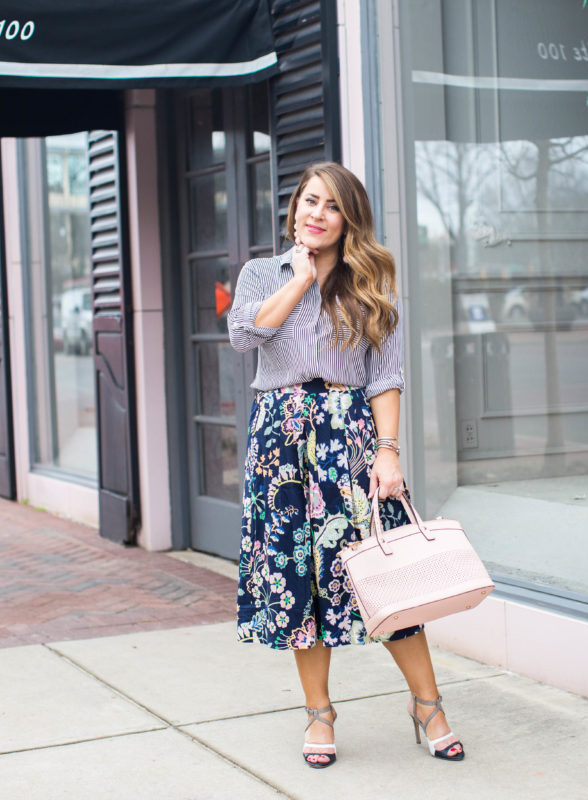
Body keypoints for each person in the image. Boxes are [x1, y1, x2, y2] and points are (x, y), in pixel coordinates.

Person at [227, 162, 465, 768]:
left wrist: (389, 452)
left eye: (331, 206)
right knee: (299, 582)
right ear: (295, 208)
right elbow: (245, 335)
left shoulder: (370, 283)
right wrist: (299, 282)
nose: (316, 214)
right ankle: (319, 715)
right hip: (280, 442)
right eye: (310, 201)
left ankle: (428, 705)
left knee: (383, 577)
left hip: (347, 440)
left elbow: (386, 377)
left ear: (347, 219)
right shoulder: (262, 274)